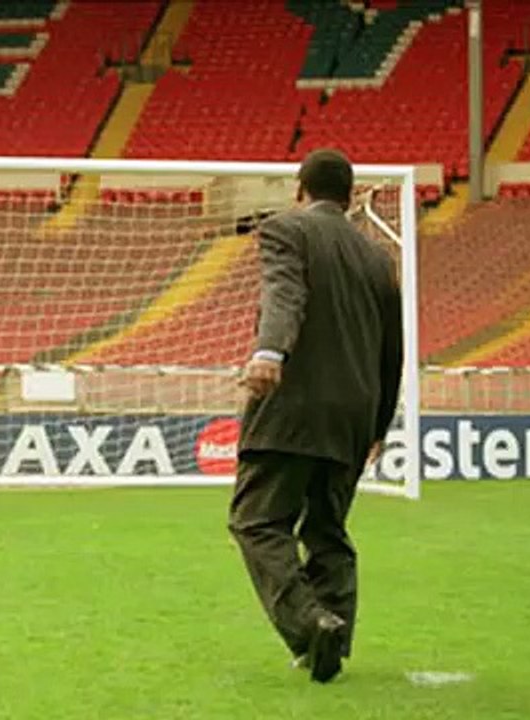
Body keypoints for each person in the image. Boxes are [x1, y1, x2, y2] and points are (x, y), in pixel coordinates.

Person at [228, 148, 403, 684]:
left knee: (257, 520)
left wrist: (270, 351)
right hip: (353, 416)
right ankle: (331, 644)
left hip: (293, 408)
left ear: (300, 190)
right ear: (349, 197)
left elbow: (286, 294)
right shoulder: (377, 258)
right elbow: (392, 351)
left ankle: (311, 624)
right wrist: (378, 426)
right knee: (328, 530)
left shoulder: (287, 230)